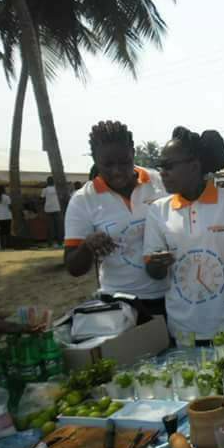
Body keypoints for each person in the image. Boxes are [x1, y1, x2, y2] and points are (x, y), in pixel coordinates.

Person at [143, 126, 224, 347]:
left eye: (169, 166)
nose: (162, 173)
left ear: (194, 166)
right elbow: (153, 271)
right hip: (183, 327)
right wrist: (156, 264)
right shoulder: (158, 210)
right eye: (160, 166)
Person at [64, 121, 169, 318]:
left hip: (171, 297)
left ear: (133, 152)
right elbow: (73, 267)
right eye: (108, 164)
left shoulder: (160, 182)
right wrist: (87, 246)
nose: (117, 171)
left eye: (124, 162)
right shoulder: (83, 200)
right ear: (95, 160)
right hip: (121, 304)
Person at [41, 176, 62, 246]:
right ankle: (59, 242)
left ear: (47, 182)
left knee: (50, 227)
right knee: (58, 226)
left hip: (48, 209)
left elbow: (42, 199)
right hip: (57, 208)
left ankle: (50, 243)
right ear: (54, 182)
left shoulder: (45, 190)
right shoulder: (57, 189)